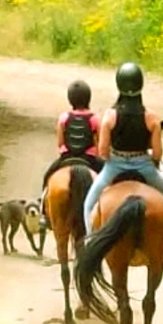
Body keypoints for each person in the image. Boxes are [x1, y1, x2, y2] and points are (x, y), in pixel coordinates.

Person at [82, 62, 163, 268]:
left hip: (114, 167)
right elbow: (157, 153)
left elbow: (102, 151)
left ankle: (91, 243)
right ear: (141, 84)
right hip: (144, 166)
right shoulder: (152, 117)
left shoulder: (110, 116)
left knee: (88, 203)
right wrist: (147, 156)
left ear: (118, 84)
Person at [39, 80, 104, 229]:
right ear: (88, 98)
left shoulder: (64, 118)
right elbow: (100, 144)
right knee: (109, 181)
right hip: (90, 159)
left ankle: (44, 212)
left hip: (67, 157)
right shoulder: (95, 119)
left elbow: (60, 143)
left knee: (47, 177)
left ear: (70, 99)